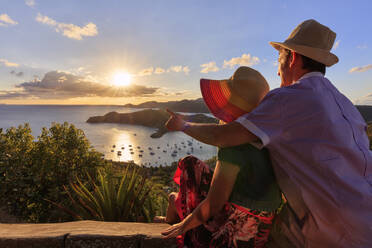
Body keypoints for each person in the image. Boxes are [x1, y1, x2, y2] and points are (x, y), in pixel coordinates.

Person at [164, 19, 372, 248]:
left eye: (279, 60)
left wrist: (183, 126)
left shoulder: (289, 98)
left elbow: (224, 136)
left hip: (330, 229)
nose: (277, 69)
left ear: (292, 57)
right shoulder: (345, 104)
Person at [161, 66, 282, 247]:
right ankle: (175, 202)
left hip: (237, 232)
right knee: (191, 164)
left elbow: (214, 204)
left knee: (193, 235)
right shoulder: (267, 134)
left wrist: (182, 226)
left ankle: (175, 201)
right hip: (263, 228)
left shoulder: (233, 147)